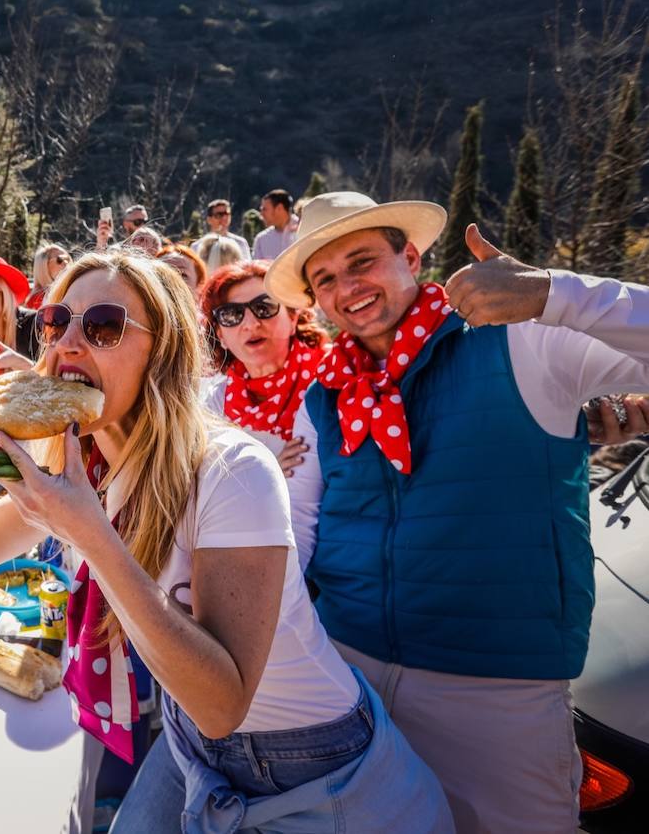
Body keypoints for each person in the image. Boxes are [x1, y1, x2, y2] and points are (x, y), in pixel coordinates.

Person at [0, 250, 451, 832]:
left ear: (163, 349)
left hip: (318, 762)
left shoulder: (233, 470)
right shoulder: (84, 468)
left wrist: (90, 534)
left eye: (102, 325)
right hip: (191, 741)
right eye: (56, 322)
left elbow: (224, 702)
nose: (66, 344)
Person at [264, 190, 649, 832]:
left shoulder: (522, 342)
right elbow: (300, 532)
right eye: (325, 279)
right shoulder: (323, 394)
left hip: (494, 696)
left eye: (362, 261)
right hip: (348, 680)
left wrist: (554, 294)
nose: (346, 288)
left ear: (410, 256)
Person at [200, 260, 330, 479]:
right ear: (220, 335)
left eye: (264, 307)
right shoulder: (216, 405)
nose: (250, 323)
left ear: (292, 318)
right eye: (231, 314)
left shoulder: (333, 379)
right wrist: (267, 471)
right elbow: (203, 485)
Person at [252, 188, 298, 260]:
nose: (261, 214)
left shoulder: (305, 231)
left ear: (279, 208)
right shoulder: (261, 240)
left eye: (265, 209)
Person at [26, 243, 71, 310]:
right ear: (44, 265)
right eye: (60, 259)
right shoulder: (36, 300)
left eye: (67, 258)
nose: (66, 263)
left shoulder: (73, 290)